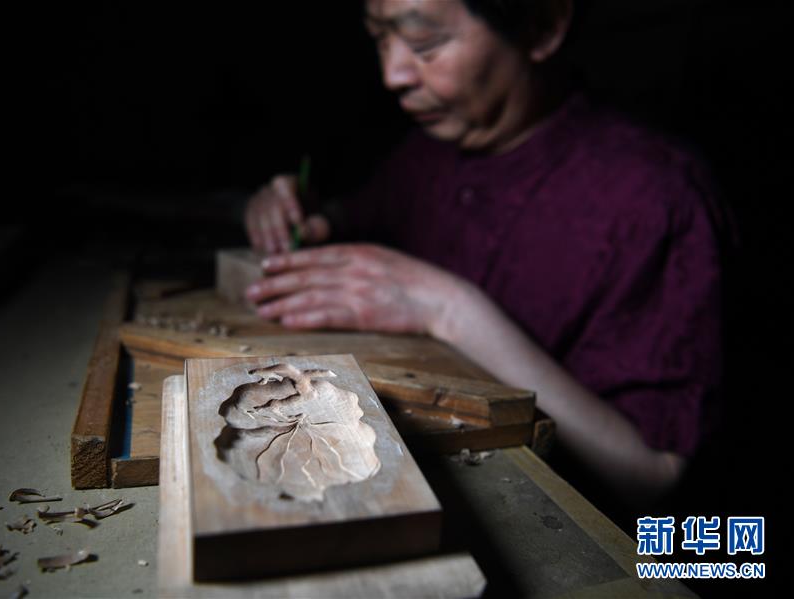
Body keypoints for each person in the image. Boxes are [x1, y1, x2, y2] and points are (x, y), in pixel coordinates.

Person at [241, 0, 737, 511]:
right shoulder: (429, 151)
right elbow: (358, 216)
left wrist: (450, 310)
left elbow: (654, 475)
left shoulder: (656, 196)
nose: (393, 74)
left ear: (541, 26)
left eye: (425, 43)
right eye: (381, 38)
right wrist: (302, 213)